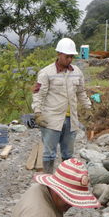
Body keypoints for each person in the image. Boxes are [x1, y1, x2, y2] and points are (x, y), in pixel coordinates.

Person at [32, 38, 92, 174]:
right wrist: (37, 113)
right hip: (52, 120)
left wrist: (88, 107)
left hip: (71, 121)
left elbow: (81, 92)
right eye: (67, 56)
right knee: (49, 153)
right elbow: (38, 94)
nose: (70, 59)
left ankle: (66, 180)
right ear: (59, 54)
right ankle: (47, 181)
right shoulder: (46, 73)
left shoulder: (77, 72)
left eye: (72, 56)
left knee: (68, 154)